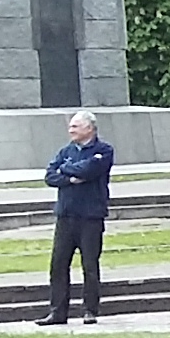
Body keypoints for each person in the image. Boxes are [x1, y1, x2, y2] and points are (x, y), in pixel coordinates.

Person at [37, 111, 113, 325]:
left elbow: (90, 170)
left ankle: (90, 310)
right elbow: (50, 176)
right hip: (66, 215)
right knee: (58, 265)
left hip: (90, 216)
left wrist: (66, 169)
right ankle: (57, 312)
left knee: (89, 264)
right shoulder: (66, 151)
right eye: (70, 126)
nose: (70, 130)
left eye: (75, 126)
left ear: (89, 128)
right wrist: (70, 177)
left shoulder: (103, 150)